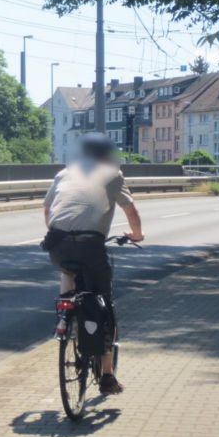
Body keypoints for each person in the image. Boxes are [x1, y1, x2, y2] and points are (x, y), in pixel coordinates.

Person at [42, 132, 144, 395]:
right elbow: (130, 210)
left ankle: (66, 314)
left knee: (68, 269)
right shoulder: (113, 173)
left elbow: (47, 208)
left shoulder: (65, 172)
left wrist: (61, 234)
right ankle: (107, 375)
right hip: (91, 245)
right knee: (104, 305)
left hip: (56, 241)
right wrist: (137, 235)